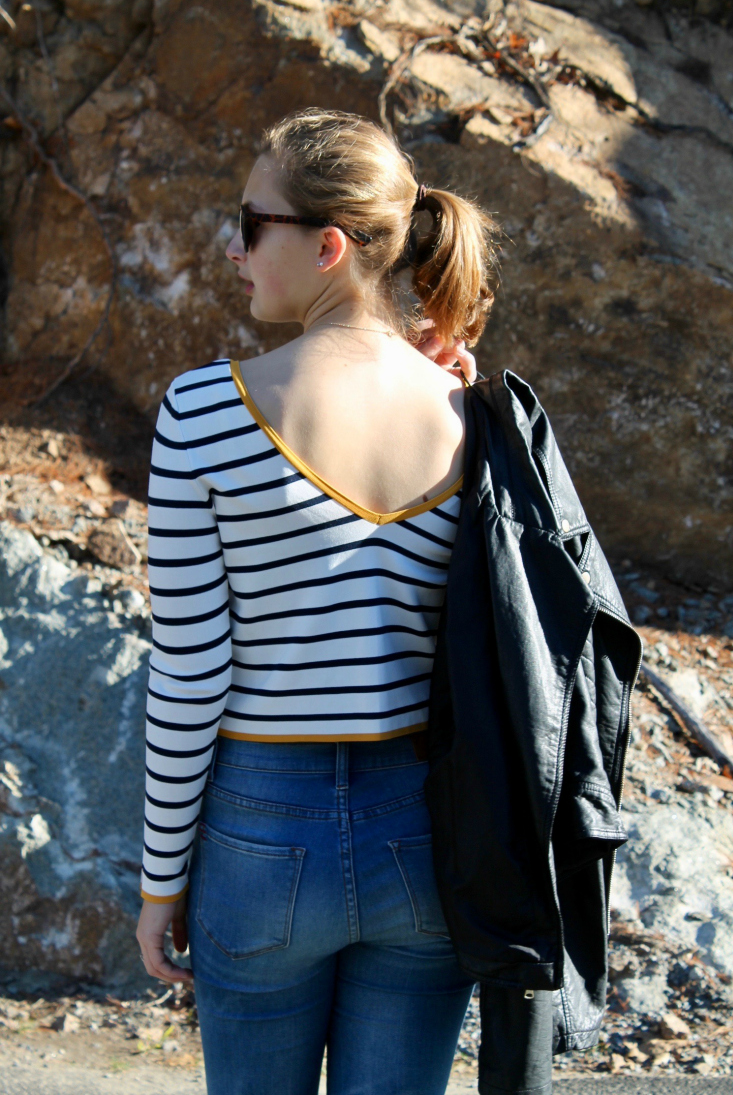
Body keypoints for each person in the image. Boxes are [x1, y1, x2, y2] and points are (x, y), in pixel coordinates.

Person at [136, 106, 499, 1095]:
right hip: (422, 829)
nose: (232, 245)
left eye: (250, 224)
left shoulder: (203, 413)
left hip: (261, 826)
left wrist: (159, 879)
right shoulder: (468, 416)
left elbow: (191, 671)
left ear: (328, 245)